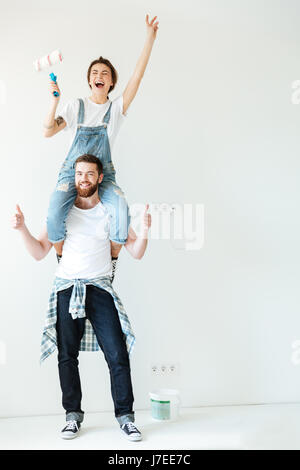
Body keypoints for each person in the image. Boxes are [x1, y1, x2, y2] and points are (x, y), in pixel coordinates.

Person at [12, 155, 151, 441]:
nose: (83, 179)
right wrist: (22, 228)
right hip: (66, 289)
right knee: (67, 355)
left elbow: (136, 252)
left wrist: (145, 228)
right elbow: (39, 251)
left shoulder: (111, 212)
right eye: (79, 173)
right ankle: (72, 416)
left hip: (99, 288)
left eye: (89, 174)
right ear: (73, 177)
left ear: (100, 178)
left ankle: (126, 417)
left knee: (117, 354)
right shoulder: (61, 213)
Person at [43, 13, 159, 273]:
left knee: (120, 211)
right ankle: (63, 259)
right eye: (95, 72)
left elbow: (137, 78)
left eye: (105, 73)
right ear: (89, 80)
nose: (99, 75)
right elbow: (48, 131)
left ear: (111, 83)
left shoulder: (116, 110)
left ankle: (112, 262)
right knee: (53, 214)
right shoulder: (76, 106)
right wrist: (54, 102)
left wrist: (149, 39)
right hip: (72, 174)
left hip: (103, 177)